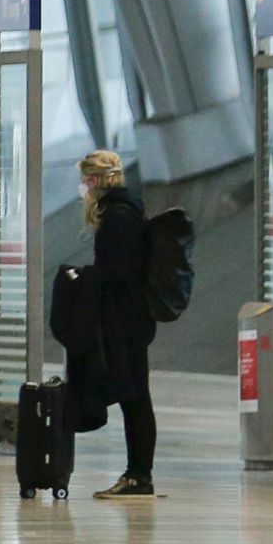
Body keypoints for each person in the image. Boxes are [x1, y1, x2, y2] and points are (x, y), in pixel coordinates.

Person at [69, 151, 157, 499]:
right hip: (130, 317)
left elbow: (117, 271)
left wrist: (84, 276)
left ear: (94, 180)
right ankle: (138, 474)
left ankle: (139, 476)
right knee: (132, 396)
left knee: (134, 397)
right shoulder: (125, 210)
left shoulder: (118, 216)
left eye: (84, 180)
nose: (83, 187)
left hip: (125, 320)